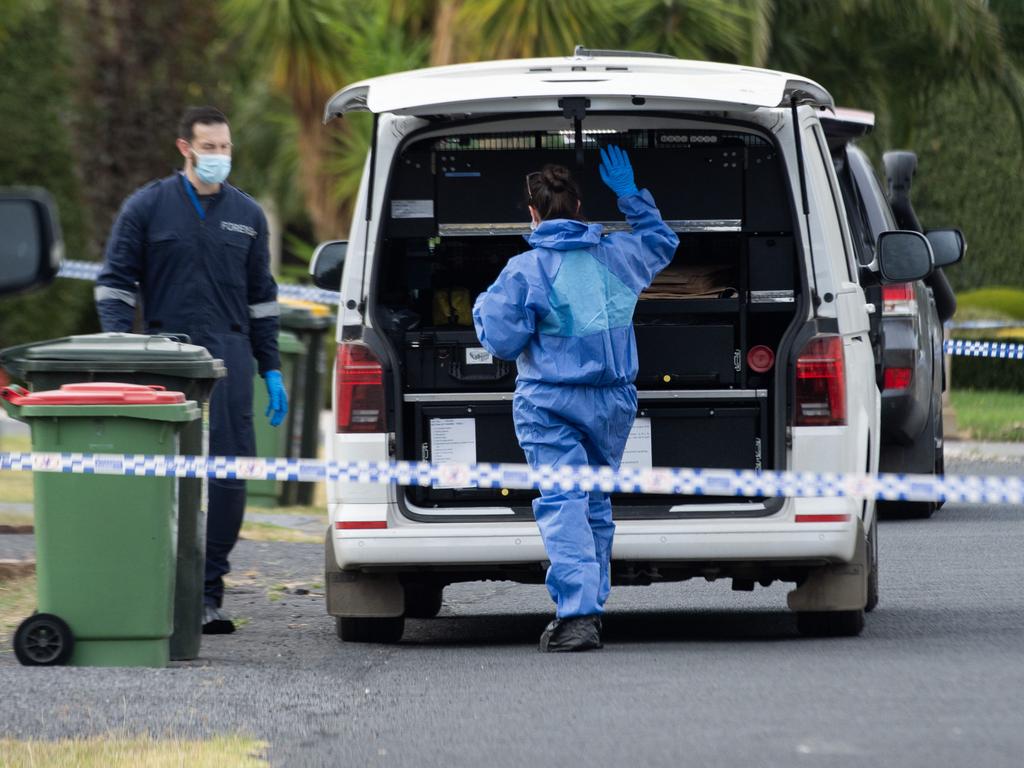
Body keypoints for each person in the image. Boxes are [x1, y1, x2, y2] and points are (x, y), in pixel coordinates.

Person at [472, 146, 679, 652]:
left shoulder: (526, 271)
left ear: (533, 213)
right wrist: (630, 194)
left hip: (549, 404)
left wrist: (484, 306)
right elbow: (660, 241)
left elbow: (500, 340)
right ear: (581, 207)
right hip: (613, 403)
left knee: (564, 503)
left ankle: (578, 613)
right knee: (594, 503)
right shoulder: (619, 255)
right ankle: (591, 607)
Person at [95, 106, 287, 635]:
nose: (220, 157)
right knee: (162, 478)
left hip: (229, 359)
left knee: (230, 475)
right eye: (210, 147)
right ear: (185, 148)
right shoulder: (147, 207)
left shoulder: (247, 215)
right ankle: (156, 586)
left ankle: (207, 594)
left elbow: (263, 301)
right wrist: (118, 350)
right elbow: (114, 284)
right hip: (164, 357)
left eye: (226, 148)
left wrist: (270, 368)